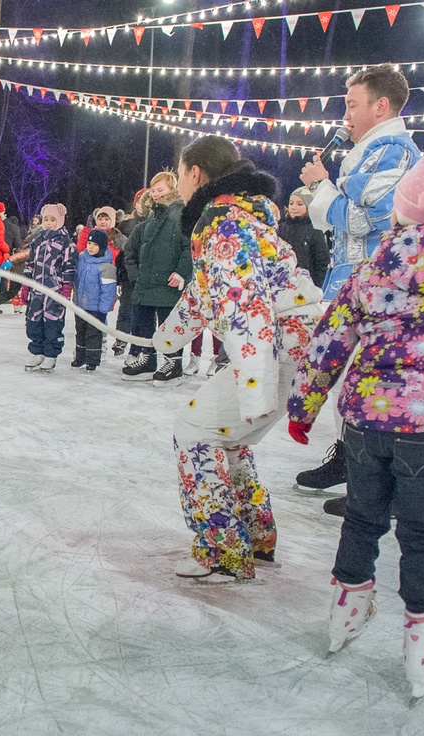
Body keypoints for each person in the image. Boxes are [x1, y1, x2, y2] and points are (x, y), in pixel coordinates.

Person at [286, 157, 424, 696]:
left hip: (366, 421)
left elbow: (331, 339)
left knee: (361, 520)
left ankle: (345, 617)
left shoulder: (375, 265)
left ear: (404, 207)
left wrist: (303, 407)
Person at [159, 135, 323, 582]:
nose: (178, 183)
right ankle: (252, 533)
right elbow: (208, 294)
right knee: (224, 435)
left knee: (194, 429)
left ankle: (222, 550)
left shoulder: (224, 226)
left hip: (277, 349)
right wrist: (166, 339)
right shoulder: (238, 219)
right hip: (291, 346)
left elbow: (244, 307)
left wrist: (255, 386)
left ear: (195, 174)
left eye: (179, 173)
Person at [295, 63, 422, 509]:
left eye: (352, 103)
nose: (345, 113)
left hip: (378, 285)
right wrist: (327, 191)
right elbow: (344, 218)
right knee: (347, 379)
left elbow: (366, 218)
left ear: (380, 105)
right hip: (353, 279)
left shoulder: (395, 150)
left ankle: (371, 484)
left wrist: (325, 187)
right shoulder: (369, 150)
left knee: (366, 382)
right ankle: (350, 458)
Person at [122, 171, 191, 386]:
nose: (155, 193)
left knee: (168, 323)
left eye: (160, 189)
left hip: (167, 283)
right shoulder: (150, 219)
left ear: (172, 190)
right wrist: (136, 276)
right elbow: (133, 252)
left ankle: (173, 362)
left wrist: (181, 273)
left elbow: (189, 248)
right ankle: (147, 358)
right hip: (146, 282)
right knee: (143, 321)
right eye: (153, 190)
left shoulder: (181, 216)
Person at [20, 203, 77, 372]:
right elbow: (30, 263)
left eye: (53, 220)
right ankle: (37, 351)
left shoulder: (67, 244)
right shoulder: (38, 241)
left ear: (60, 221)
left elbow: (70, 266)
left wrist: (67, 287)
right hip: (37, 290)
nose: (49, 223)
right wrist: (26, 284)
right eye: (46, 220)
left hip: (55, 291)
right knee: (34, 322)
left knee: (53, 323)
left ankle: (51, 354)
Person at [113, 191, 153, 357]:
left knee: (143, 312)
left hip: (147, 273)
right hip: (129, 273)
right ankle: (121, 338)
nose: (141, 206)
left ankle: (141, 343)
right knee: (126, 308)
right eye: (138, 202)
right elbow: (121, 252)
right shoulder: (127, 223)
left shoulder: (153, 221)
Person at [71, 229, 117, 372]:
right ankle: (80, 357)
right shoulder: (81, 259)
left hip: (96, 308)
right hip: (80, 305)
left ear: (102, 246)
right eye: (89, 243)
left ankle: (92, 360)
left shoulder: (106, 266)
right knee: (80, 331)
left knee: (93, 334)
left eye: (95, 244)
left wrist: (104, 309)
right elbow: (75, 279)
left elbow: (108, 291)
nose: (90, 247)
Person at [277, 187, 330, 287]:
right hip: (283, 285)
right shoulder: (280, 228)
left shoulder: (315, 230)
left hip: (307, 286)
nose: (293, 207)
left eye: (299, 204)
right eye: (291, 203)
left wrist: (318, 288)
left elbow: (322, 262)